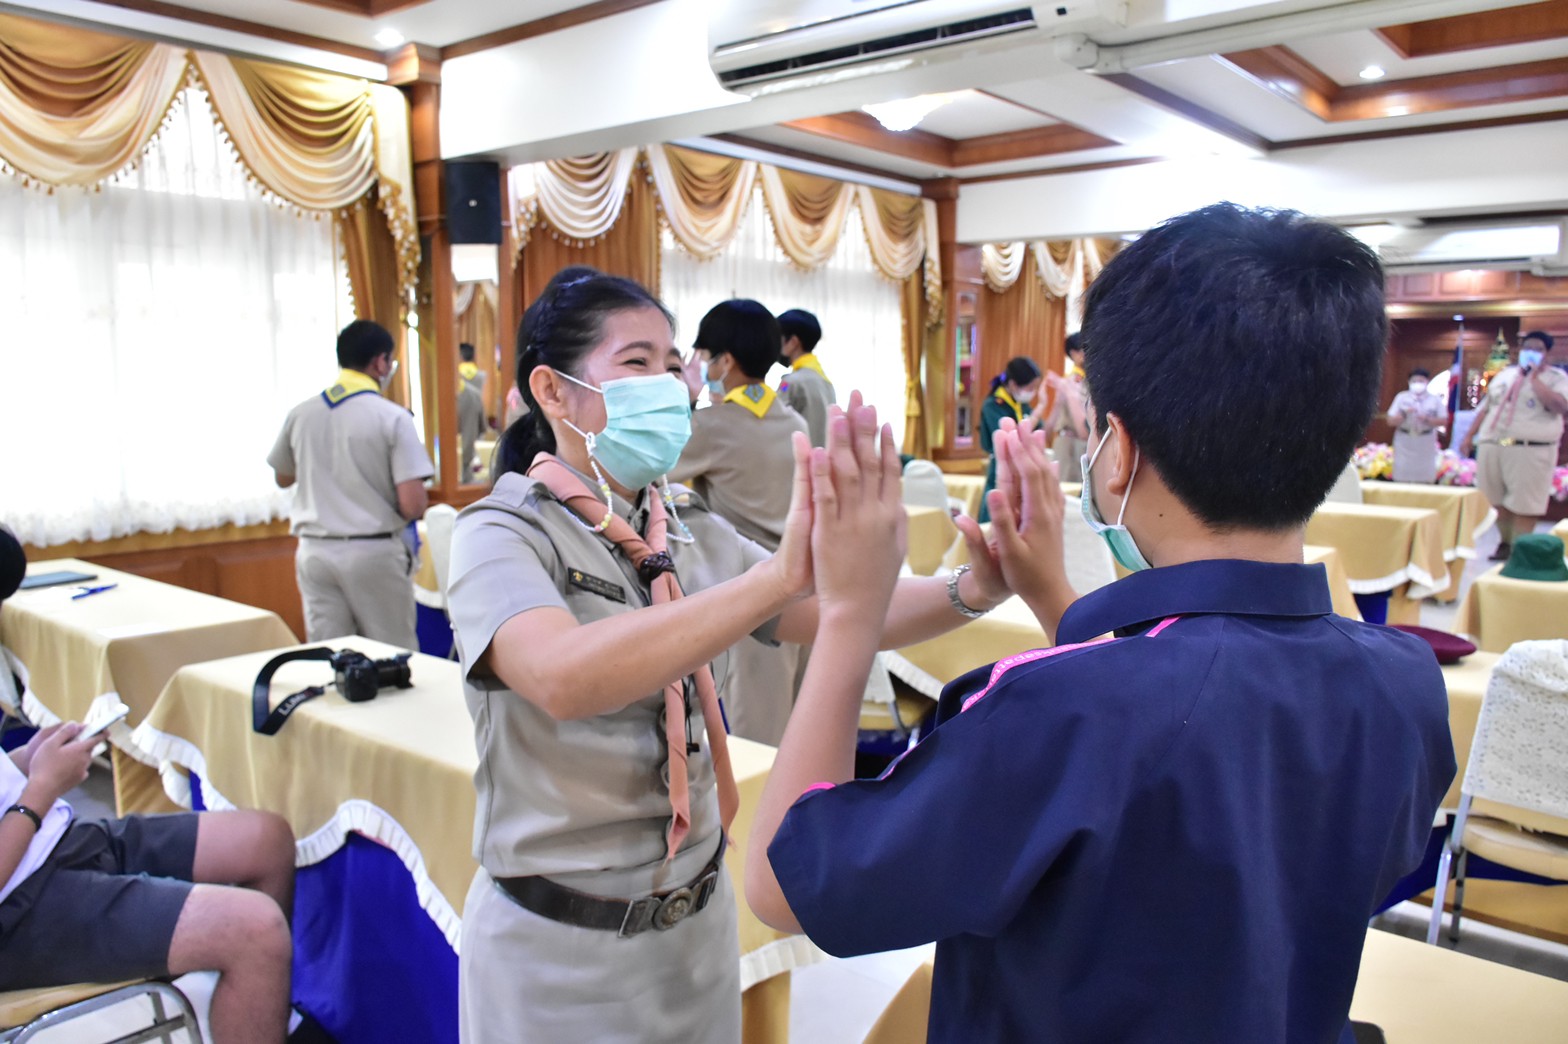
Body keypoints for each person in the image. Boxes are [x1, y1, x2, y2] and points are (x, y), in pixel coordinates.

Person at [747, 204, 1456, 1043]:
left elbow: (785, 886)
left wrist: (850, 614)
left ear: (1118, 451)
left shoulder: (1059, 708)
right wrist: (1055, 595)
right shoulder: (1405, 679)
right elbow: (1192, 756)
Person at [445, 270, 1014, 1043]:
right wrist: (773, 578)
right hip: (561, 953)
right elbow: (561, 675)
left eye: (673, 362)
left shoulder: (677, 523)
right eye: (637, 363)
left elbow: (827, 608)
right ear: (553, 391)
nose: (671, 384)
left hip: (697, 932)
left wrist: (971, 589)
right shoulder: (503, 531)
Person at [0, 526, 296, 1044]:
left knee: (266, 838)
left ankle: (250, 1005)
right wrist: (41, 789)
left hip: (47, 844)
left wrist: (25, 761)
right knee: (257, 930)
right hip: (16, 910)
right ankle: (246, 970)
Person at [669, 300, 809, 744]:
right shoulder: (792, 419)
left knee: (757, 739)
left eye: (704, 356)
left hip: (751, 591)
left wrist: (686, 399)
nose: (701, 365)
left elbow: (646, 469)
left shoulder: (712, 425)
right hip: (805, 584)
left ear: (725, 361)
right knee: (798, 730)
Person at [268, 320, 434, 648]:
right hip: (372, 552)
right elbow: (412, 505)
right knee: (392, 653)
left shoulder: (301, 413)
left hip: (314, 551)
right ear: (380, 362)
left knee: (331, 653)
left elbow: (283, 477)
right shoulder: (392, 417)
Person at [1460, 330, 1568, 560]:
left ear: (1547, 353)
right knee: (1494, 499)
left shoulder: (1556, 378)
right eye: (1527, 348)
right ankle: (1505, 543)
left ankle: (1520, 549)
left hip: (1530, 448)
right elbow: (1486, 409)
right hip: (1493, 443)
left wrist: (1534, 379)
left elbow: (1561, 407)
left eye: (1538, 349)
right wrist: (1469, 437)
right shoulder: (1505, 375)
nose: (1531, 352)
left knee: (1525, 503)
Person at [978, 356, 1045, 522]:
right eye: (1031, 387)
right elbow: (1010, 437)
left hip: (1023, 465)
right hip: (1002, 466)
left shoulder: (1021, 405)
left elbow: (1039, 429)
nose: (1033, 392)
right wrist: (1039, 410)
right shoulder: (993, 405)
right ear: (1014, 384)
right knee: (998, 514)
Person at [777, 308, 835, 448]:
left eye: (778, 339)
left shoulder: (789, 383)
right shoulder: (826, 383)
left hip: (797, 459)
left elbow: (774, 423)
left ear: (793, 342)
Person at [1386, 367, 1447, 483]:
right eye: (1414, 381)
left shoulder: (1435, 400)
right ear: (1409, 382)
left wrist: (1427, 419)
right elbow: (1390, 421)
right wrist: (1404, 413)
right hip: (1405, 439)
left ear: (1427, 381)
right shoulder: (1401, 397)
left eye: (1421, 381)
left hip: (1425, 439)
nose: (1417, 384)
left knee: (1425, 474)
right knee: (1402, 472)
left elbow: (1443, 420)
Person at [1045, 333, 1090, 483]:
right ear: (1074, 354)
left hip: (1081, 445)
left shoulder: (1084, 381)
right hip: (1069, 445)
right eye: (1085, 349)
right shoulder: (1071, 382)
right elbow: (1083, 430)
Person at [458, 350, 487, 484]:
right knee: (469, 439)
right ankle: (467, 472)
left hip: (460, 398)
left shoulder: (457, 374)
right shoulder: (481, 375)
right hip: (474, 403)